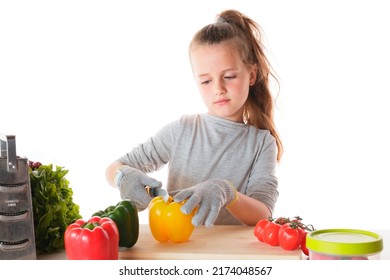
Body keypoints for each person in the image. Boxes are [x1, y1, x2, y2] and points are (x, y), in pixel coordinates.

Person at [105, 9, 283, 227]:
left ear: (252, 74)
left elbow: (263, 214)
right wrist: (123, 177)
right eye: (206, 81)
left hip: (229, 254)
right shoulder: (181, 129)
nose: (218, 88)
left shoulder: (262, 143)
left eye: (229, 76)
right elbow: (116, 166)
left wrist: (228, 192)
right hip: (177, 248)